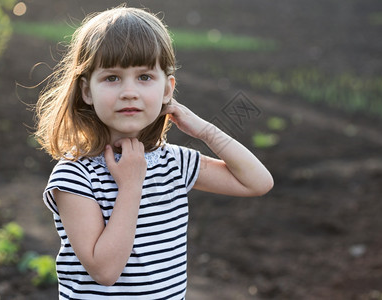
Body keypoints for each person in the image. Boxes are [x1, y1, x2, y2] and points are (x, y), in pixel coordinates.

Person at [35, 5, 273, 299]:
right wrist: (131, 185)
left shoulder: (174, 162)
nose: (129, 91)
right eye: (112, 78)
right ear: (86, 91)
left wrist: (205, 131)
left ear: (167, 90)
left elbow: (258, 182)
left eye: (144, 77)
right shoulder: (76, 174)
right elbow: (105, 271)